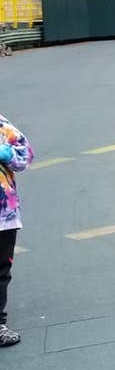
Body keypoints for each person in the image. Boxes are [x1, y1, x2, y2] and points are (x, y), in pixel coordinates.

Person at [0, 113, 33, 347]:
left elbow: (25, 155)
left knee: (1, 271)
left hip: (4, 216)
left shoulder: (1, 126)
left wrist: (5, 153)